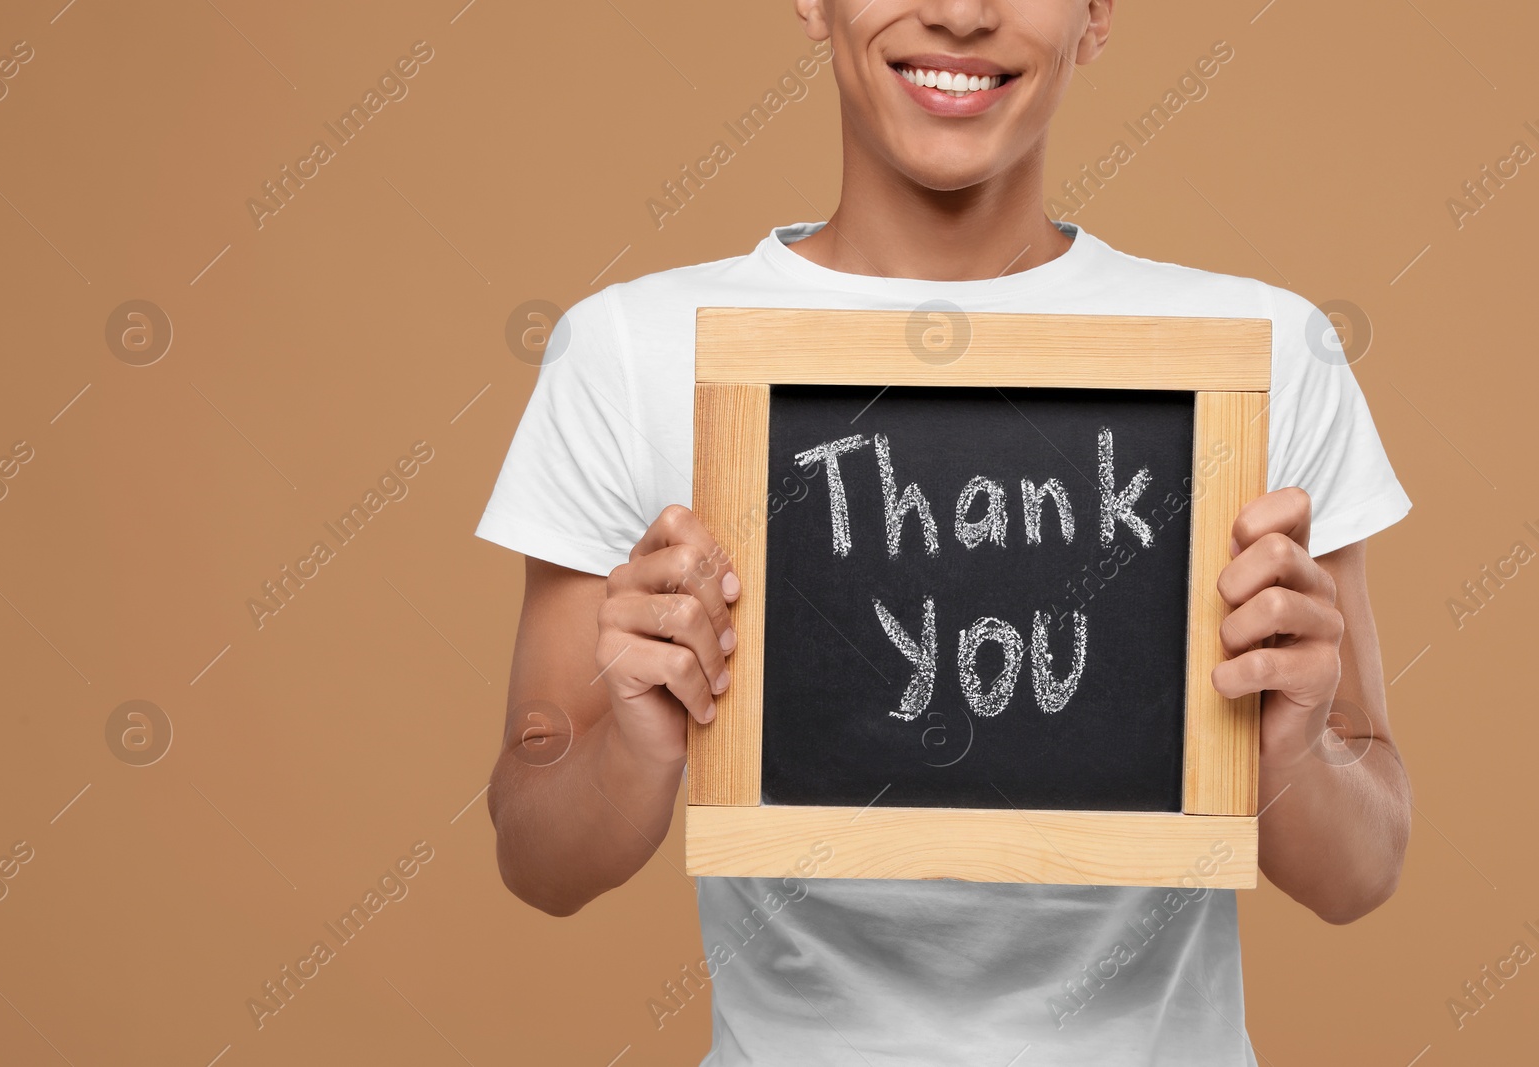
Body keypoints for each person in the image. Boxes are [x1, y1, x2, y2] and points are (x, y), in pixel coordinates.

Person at [474, 0, 1413, 1062]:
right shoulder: (631, 354)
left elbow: (1360, 870)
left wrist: (1294, 743)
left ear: (1096, 14)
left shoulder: (1261, 356)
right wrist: (635, 743)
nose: (960, 13)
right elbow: (537, 858)